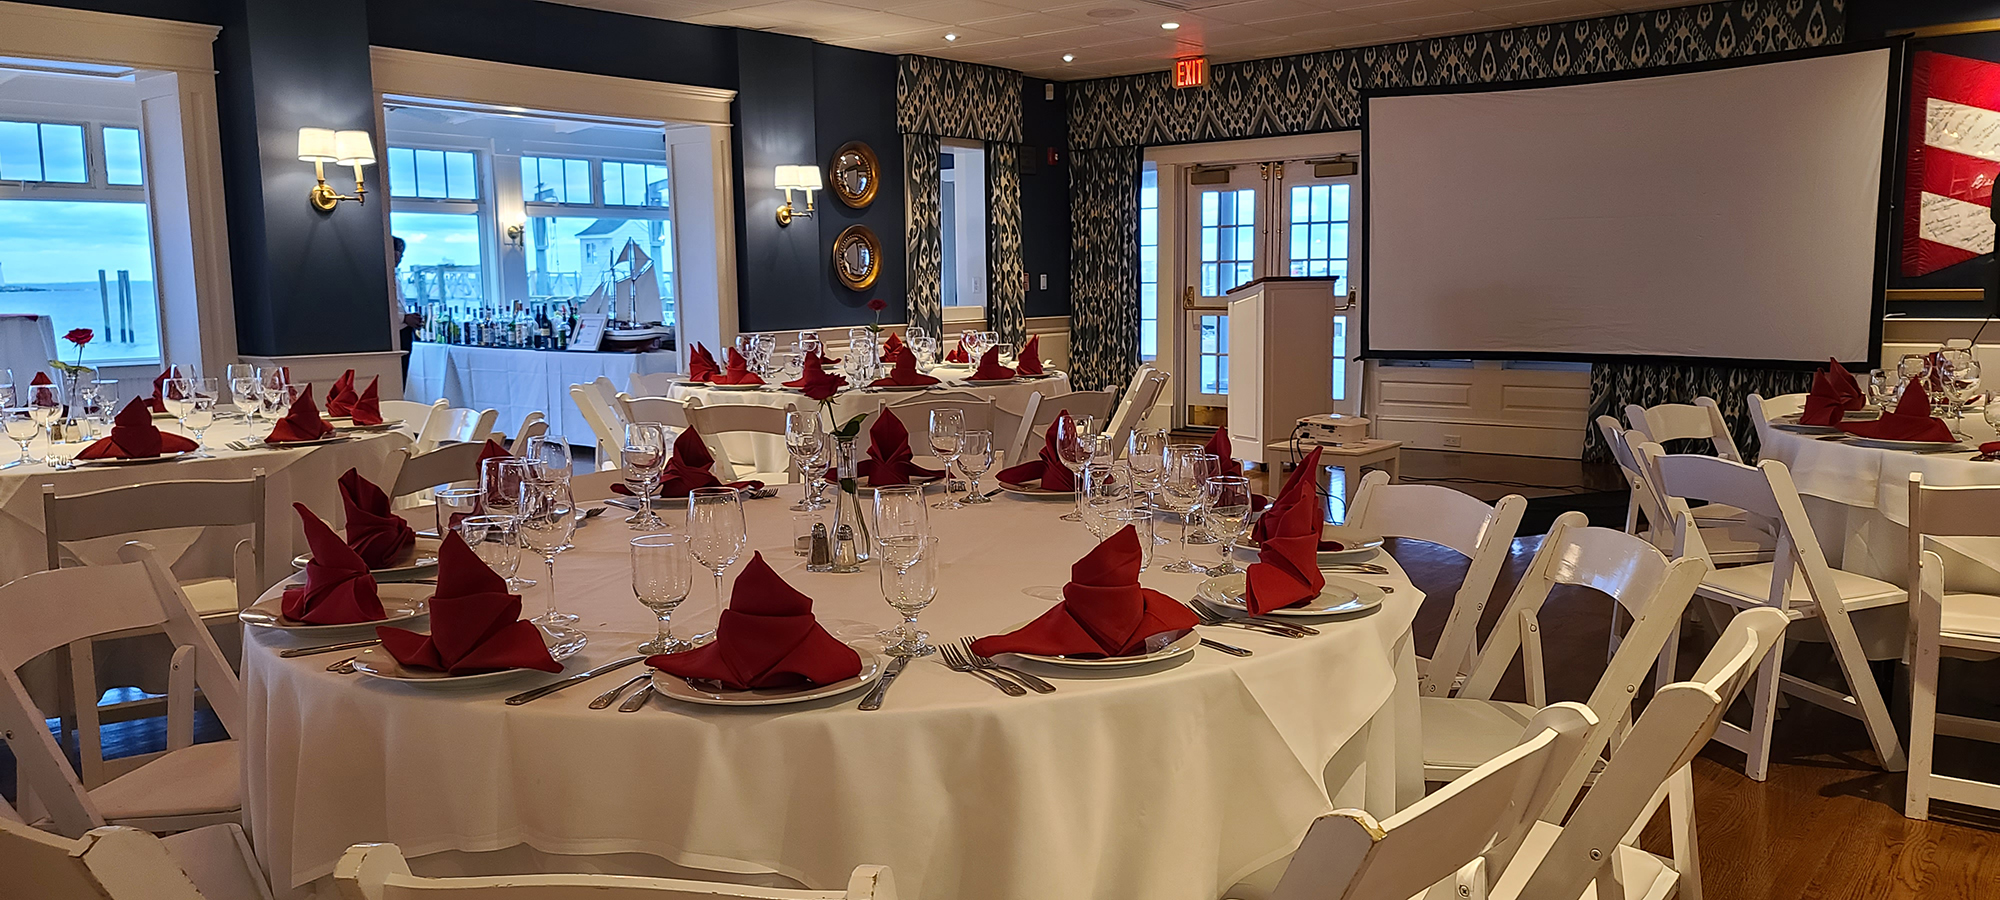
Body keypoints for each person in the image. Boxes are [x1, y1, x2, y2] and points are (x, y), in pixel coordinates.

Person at [392, 236, 420, 379]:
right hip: (395, 334)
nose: (401, 258)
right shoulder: (380, 276)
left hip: (404, 331)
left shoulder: (395, 277)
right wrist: (404, 318)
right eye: (399, 252)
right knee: (397, 375)